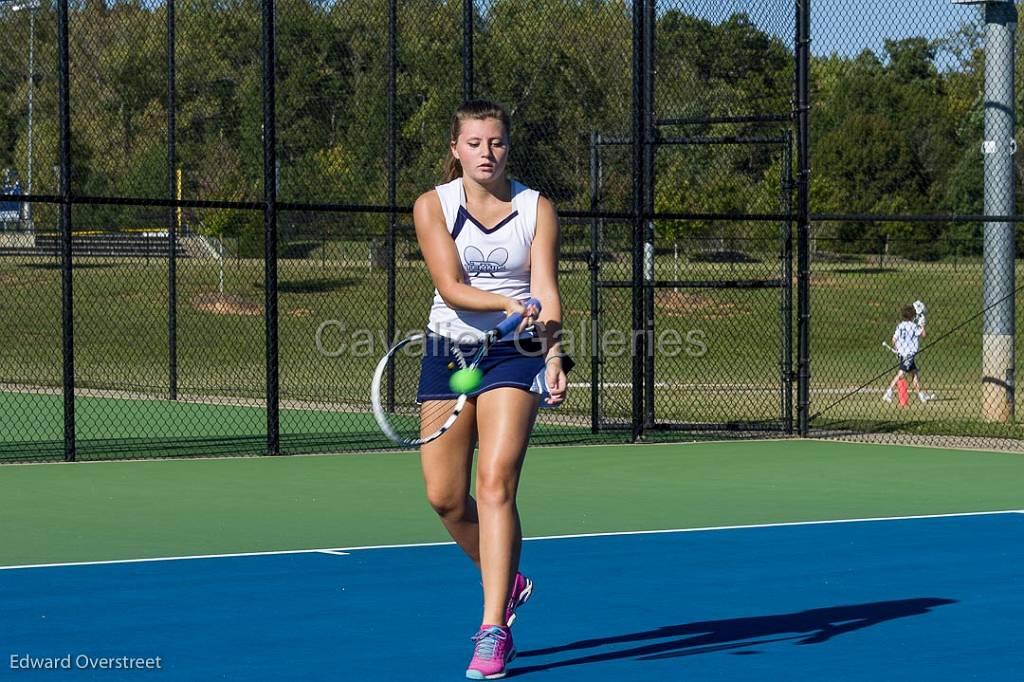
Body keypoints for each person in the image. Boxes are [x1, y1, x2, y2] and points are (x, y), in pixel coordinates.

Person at [412, 99, 568, 680]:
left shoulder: (535, 208)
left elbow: (546, 289)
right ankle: (509, 578)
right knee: (445, 497)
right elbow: (451, 287)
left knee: (495, 481)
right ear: (455, 149)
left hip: (516, 351)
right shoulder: (434, 205)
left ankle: (492, 629)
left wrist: (553, 353)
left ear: (508, 147)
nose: (487, 153)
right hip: (448, 350)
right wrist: (505, 301)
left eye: (496, 142)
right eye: (474, 143)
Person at [883, 304, 932, 404]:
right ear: (912, 316)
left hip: (903, 353)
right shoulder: (914, 326)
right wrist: (922, 326)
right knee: (901, 374)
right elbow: (924, 335)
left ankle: (921, 395)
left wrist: (898, 349)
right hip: (909, 354)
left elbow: (893, 340)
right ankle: (889, 392)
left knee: (914, 374)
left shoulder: (900, 326)